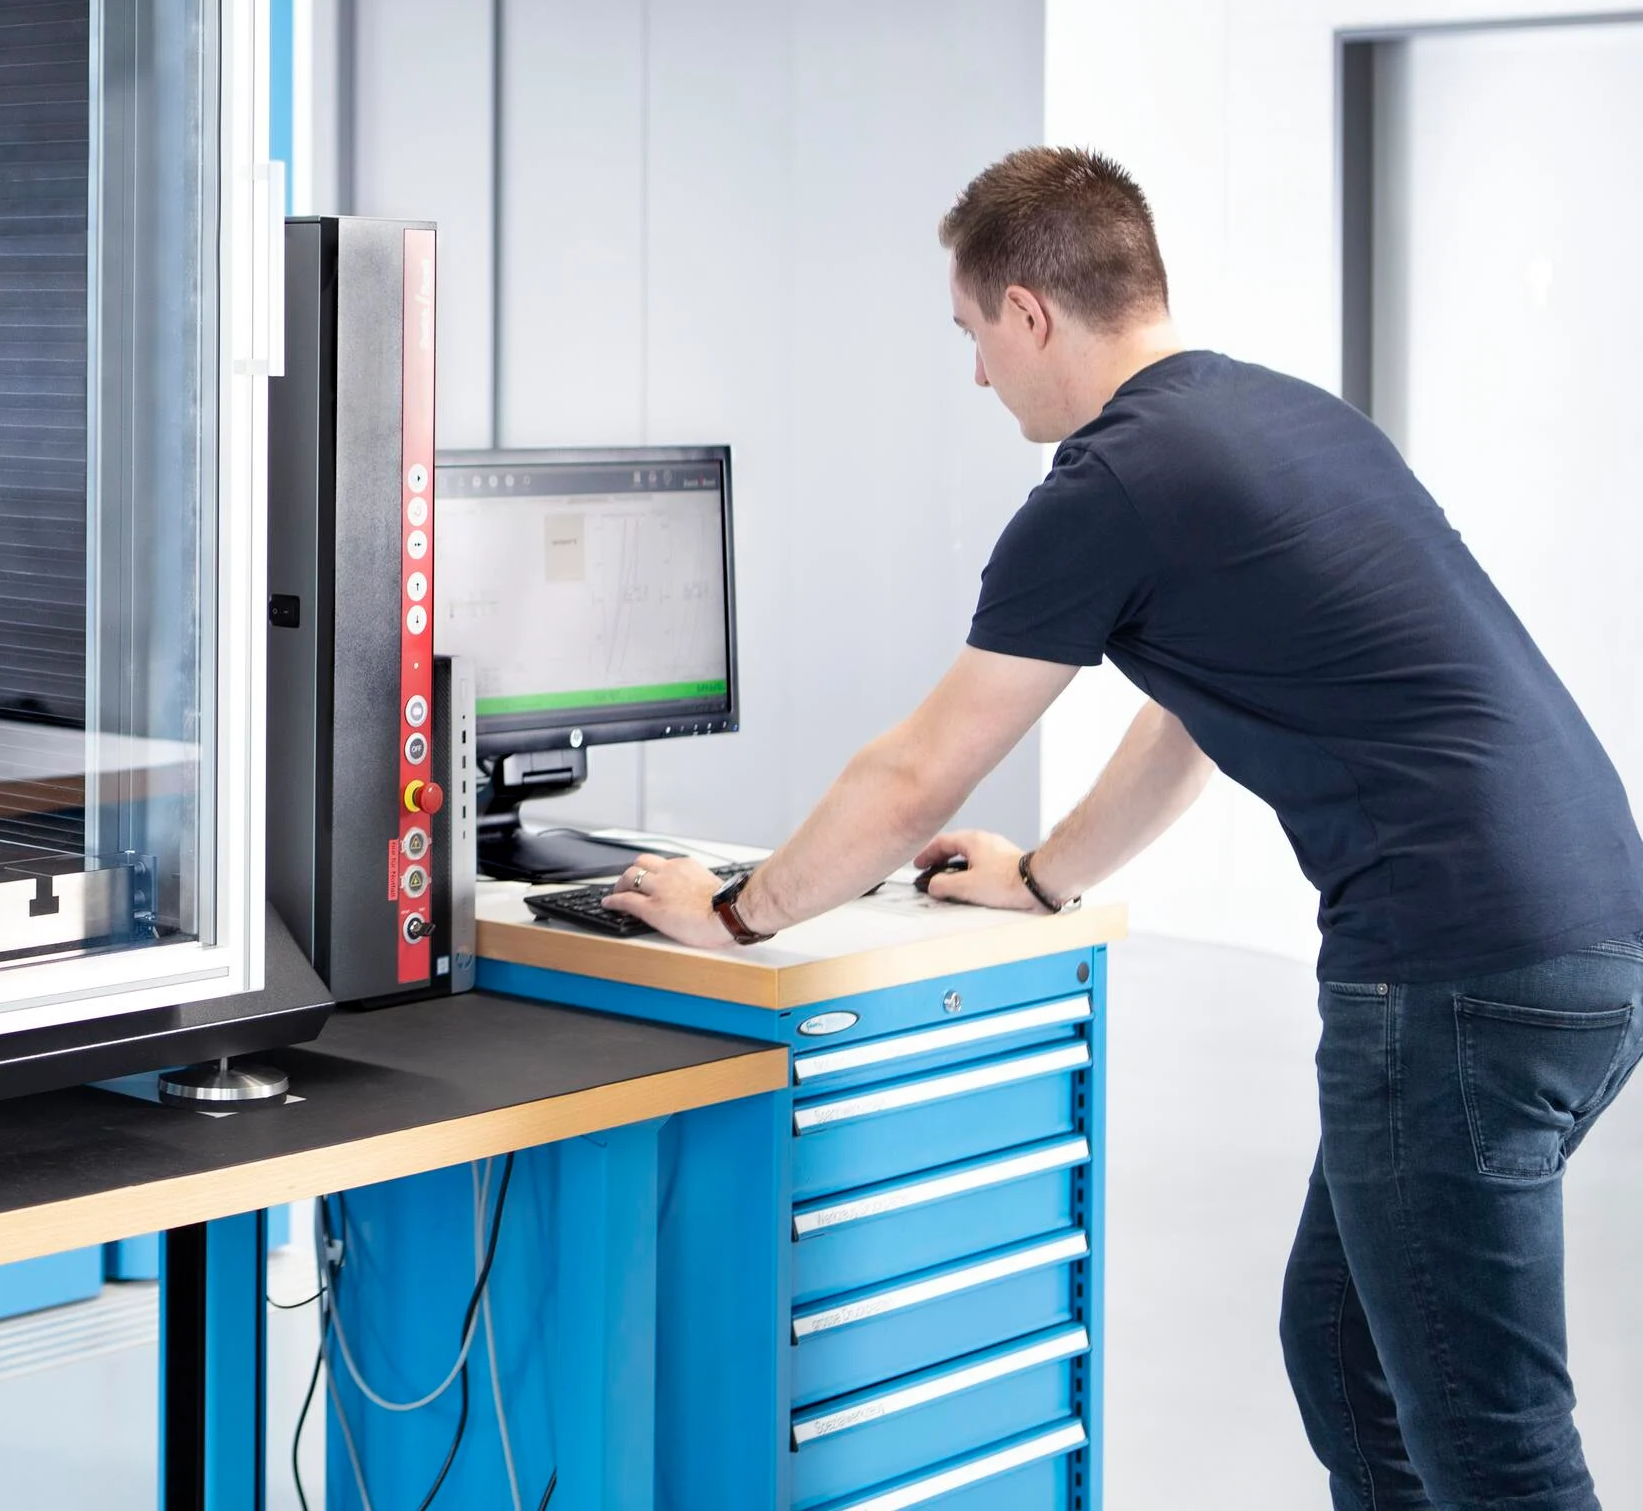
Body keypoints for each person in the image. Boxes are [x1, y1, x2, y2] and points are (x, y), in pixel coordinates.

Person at [602, 145, 1643, 1511]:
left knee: (1484, 1432)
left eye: (973, 334)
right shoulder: (1280, 419)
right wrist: (1043, 878)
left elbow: (920, 771)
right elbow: (1200, 718)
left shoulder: (1114, 484)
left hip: (1454, 974)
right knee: (1346, 1356)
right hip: (1585, 943)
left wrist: (736, 914)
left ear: (1029, 310)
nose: (978, 375)